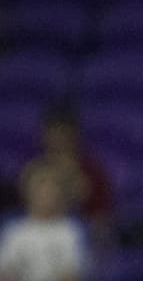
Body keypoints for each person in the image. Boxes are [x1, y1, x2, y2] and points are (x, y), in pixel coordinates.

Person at [26, 98, 115, 249]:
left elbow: (103, 219)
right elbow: (24, 215)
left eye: (63, 132)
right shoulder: (33, 170)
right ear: (45, 134)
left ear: (75, 134)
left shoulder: (93, 172)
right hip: (36, 239)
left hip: (82, 240)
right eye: (53, 132)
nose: (58, 139)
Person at [0, 159, 89, 281]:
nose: (45, 192)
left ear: (60, 192)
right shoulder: (14, 231)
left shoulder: (71, 230)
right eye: (40, 185)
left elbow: (73, 276)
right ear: (27, 189)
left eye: (52, 186)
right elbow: (4, 275)